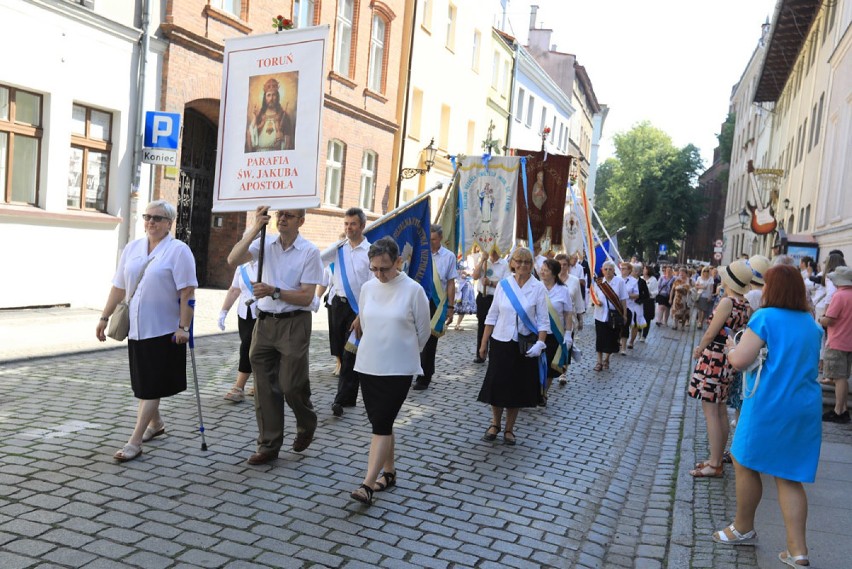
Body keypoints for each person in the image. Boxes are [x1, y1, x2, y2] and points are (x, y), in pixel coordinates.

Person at [714, 265, 822, 568]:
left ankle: (742, 527)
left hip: (769, 402)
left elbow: (740, 360)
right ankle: (797, 551)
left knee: (744, 460)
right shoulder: (811, 324)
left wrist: (733, 346)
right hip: (804, 407)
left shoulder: (765, 317)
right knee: (789, 476)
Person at [96, 200, 197, 462]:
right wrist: (104, 317)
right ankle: (157, 424)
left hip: (164, 330)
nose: (151, 222)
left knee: (150, 388)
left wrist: (183, 327)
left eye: (158, 218)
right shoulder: (133, 248)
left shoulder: (178, 251)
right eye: (148, 217)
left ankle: (135, 441)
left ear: (169, 223)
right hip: (137, 329)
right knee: (143, 383)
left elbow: (187, 291)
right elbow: (118, 287)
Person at [227, 206, 323, 465]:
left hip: (294, 322)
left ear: (300, 221)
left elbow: (306, 296)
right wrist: (255, 227)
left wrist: (274, 291)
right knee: (264, 388)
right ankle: (268, 445)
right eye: (281, 214)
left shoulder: (310, 252)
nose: (282, 218)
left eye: (289, 216)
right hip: (265, 322)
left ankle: (306, 421)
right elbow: (233, 259)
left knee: (292, 385)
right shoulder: (264, 242)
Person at [349, 237, 431, 506]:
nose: (379, 274)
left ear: (398, 262)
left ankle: (367, 485)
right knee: (381, 422)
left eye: (384, 268)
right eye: (374, 268)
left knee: (382, 423)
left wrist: (404, 351)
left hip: (398, 369)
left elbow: (424, 332)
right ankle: (390, 472)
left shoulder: (414, 290)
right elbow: (366, 322)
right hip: (369, 364)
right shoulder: (368, 287)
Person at [687, 259, 752, 478]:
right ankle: (716, 457)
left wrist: (699, 349)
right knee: (720, 409)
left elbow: (711, 333)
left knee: (711, 412)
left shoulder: (728, 302)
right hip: (727, 359)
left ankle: (715, 464)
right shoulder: (746, 305)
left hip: (714, 358)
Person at [477, 247, 548, 445]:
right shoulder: (503, 285)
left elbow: (543, 321)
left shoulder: (538, 288)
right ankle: (495, 423)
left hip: (524, 345)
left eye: (527, 262)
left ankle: (509, 429)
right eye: (519, 261)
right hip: (500, 341)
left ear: (532, 265)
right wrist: (484, 343)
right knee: (497, 385)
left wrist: (541, 343)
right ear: (513, 263)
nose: (523, 265)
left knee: (516, 387)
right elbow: (492, 316)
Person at [329, 208, 373, 418]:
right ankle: (347, 396)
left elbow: (372, 287)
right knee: (339, 349)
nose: (348, 228)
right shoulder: (338, 248)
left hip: (358, 309)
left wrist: (361, 315)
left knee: (350, 354)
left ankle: (341, 399)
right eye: (346, 224)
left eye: (352, 224)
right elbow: (315, 262)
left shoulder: (370, 251)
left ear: (362, 226)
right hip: (338, 305)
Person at [415, 225, 458, 391]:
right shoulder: (421, 253)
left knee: (430, 339)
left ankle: (424, 377)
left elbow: (451, 282)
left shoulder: (449, 256)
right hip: (420, 299)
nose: (430, 242)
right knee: (416, 337)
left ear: (440, 238)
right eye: (429, 239)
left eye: (433, 239)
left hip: (437, 302)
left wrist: (451, 306)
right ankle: (417, 368)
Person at [219, 260, 258, 402]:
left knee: (248, 347)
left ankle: (238, 387)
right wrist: (224, 311)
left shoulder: (268, 262)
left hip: (262, 312)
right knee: (249, 346)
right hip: (245, 313)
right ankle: (259, 383)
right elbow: (234, 289)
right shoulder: (242, 266)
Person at [819, 265, 852, 423]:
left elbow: (830, 319)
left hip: (837, 341)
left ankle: (839, 410)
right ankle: (843, 408)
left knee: (838, 378)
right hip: (849, 342)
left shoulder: (839, 296)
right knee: (843, 377)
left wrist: (821, 319)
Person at [538, 259, 574, 404]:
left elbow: (568, 314)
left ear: (554, 274)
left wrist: (567, 333)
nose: (542, 272)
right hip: (538, 333)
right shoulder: (536, 287)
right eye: (542, 269)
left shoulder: (563, 290)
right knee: (535, 365)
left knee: (549, 368)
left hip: (554, 334)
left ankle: (543, 394)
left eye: (545, 270)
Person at [472, 249, 510, 363]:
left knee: (495, 327)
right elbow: (475, 276)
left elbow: (506, 284)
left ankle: (493, 354)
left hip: (496, 298)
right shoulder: (484, 261)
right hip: (483, 298)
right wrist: (482, 260)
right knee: (482, 325)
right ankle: (480, 353)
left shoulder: (505, 264)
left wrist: (491, 283)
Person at [591, 260, 627, 372]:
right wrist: (596, 301)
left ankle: (607, 359)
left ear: (614, 270)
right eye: (605, 269)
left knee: (611, 338)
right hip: (600, 314)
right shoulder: (598, 282)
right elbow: (593, 296)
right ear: (602, 270)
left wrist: (624, 315)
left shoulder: (620, 282)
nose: (607, 271)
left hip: (614, 315)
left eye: (610, 269)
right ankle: (599, 361)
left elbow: (623, 299)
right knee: (600, 338)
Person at [246, 77, 294, 152]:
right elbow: (251, 135)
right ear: (265, 98)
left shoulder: (283, 116)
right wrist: (255, 119)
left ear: (277, 97)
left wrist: (283, 138)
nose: (271, 98)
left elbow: (290, 138)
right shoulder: (259, 116)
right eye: (268, 95)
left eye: (273, 95)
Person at [453, 264, 477, 330]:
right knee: (451, 306)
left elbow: (472, 273)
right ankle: (446, 323)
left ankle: (458, 324)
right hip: (456, 286)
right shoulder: (453, 260)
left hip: (465, 288)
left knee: (462, 307)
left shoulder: (468, 260)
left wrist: (467, 273)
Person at [641, 265, 658, 342]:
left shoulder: (653, 280)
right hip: (641, 300)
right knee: (639, 316)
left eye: (645, 269)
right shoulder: (641, 278)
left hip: (649, 301)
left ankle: (644, 335)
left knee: (647, 318)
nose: (643, 270)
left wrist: (649, 293)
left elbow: (656, 291)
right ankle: (638, 331)